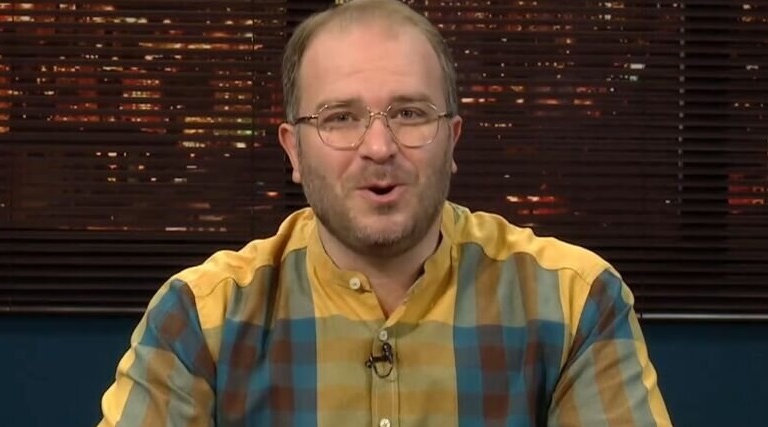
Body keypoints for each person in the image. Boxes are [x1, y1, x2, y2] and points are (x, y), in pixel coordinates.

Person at [98, 0, 672, 425]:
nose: (379, 147)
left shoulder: (572, 300)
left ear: (452, 140)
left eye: (409, 114)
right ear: (293, 151)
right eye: (340, 118)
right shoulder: (201, 316)